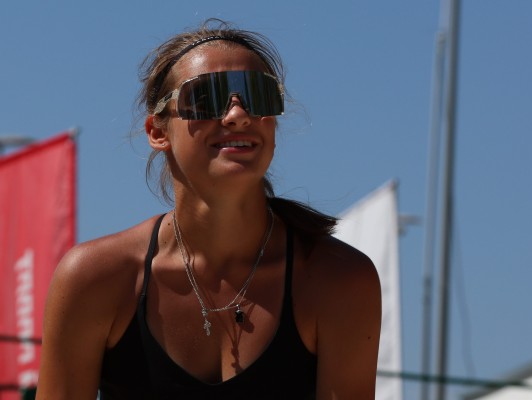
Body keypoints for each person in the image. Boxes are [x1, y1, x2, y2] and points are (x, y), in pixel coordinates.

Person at [36, 19, 381, 400]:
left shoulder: (338, 280)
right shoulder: (95, 279)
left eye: (259, 95)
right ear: (157, 131)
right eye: (206, 97)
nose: (237, 115)